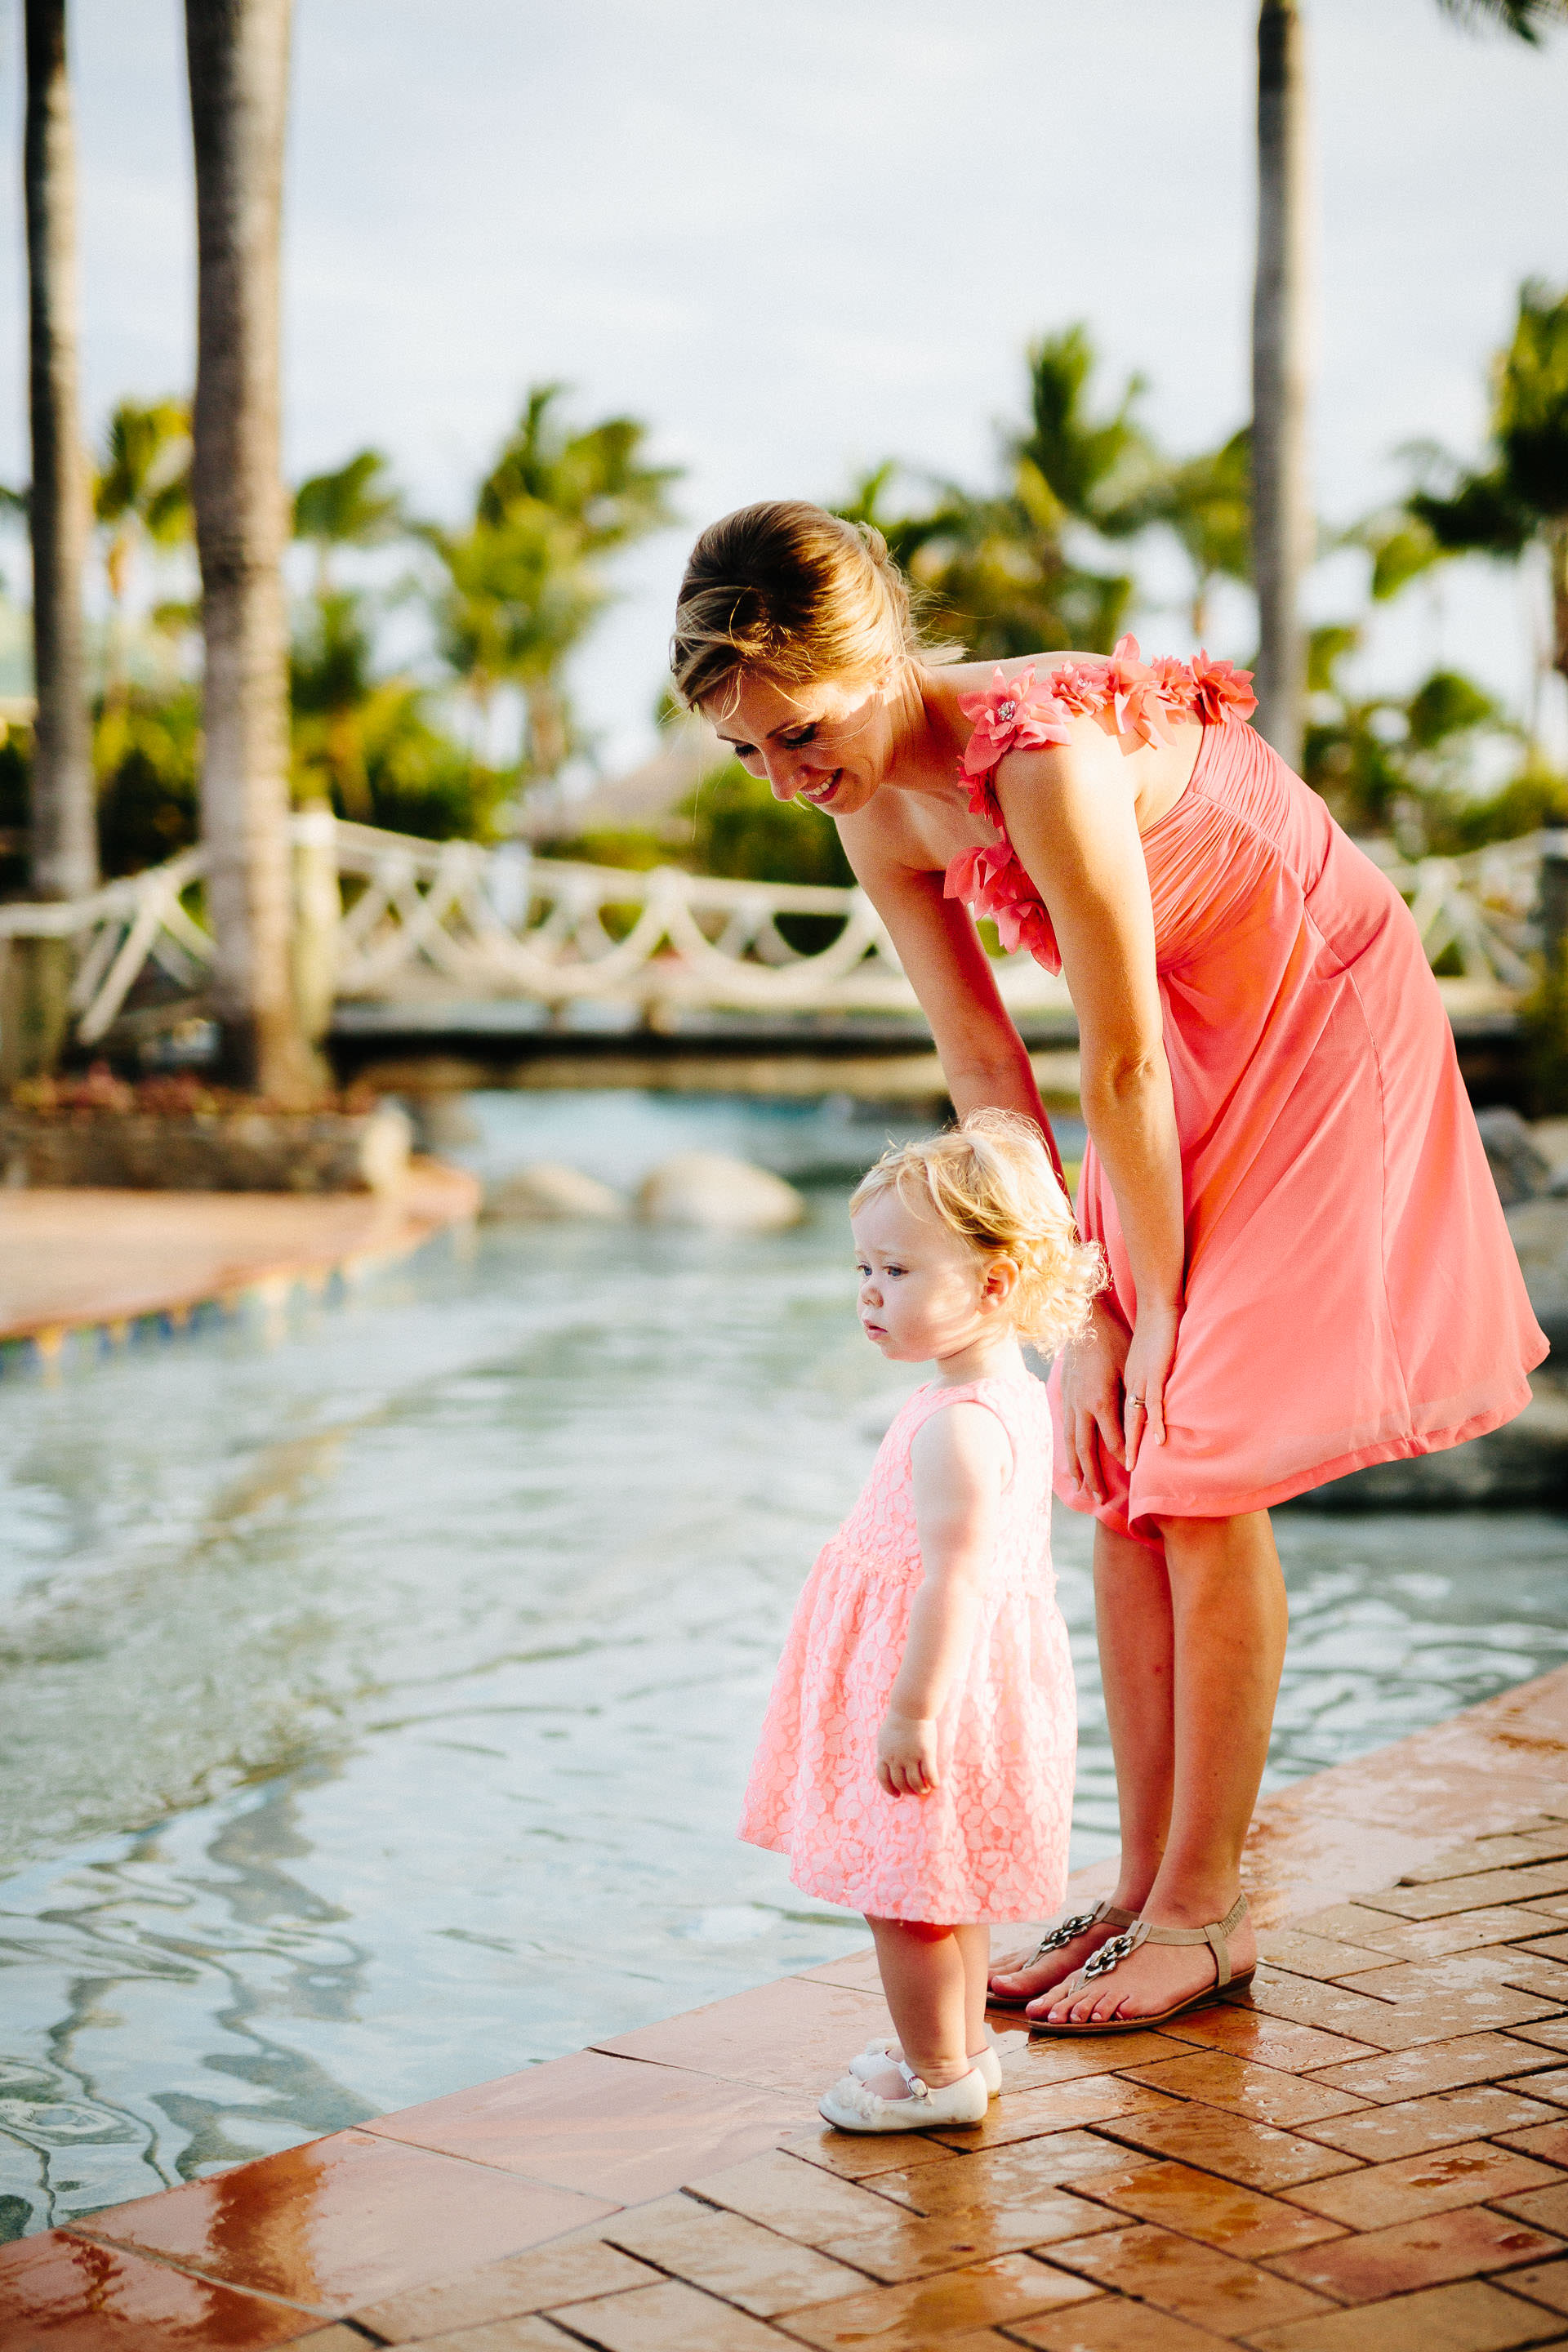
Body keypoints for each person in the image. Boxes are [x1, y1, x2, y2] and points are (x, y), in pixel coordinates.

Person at [678, 501, 1547, 2034]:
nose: (789, 779)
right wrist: (1072, 1317)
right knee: (1112, 1466)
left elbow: (1122, 1053)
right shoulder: (869, 808)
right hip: (1176, 1059)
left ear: (877, 656)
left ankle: (1208, 1916)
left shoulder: (1041, 755)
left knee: (1195, 1454)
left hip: (1313, 1024)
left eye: (800, 731)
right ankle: (1145, 1890)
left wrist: (1131, 1315)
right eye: (751, 756)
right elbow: (985, 1072)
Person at [740, 1115, 1101, 2127]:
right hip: (968, 1687)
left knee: (903, 1898)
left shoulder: (957, 1429)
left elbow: (955, 1582)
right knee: (942, 1887)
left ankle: (935, 2076)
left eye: (896, 1270)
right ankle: (964, 2052)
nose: (867, 1291)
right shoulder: (997, 1394)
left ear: (993, 1285)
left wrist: (912, 1711)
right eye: (863, 1265)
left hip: (935, 1688)